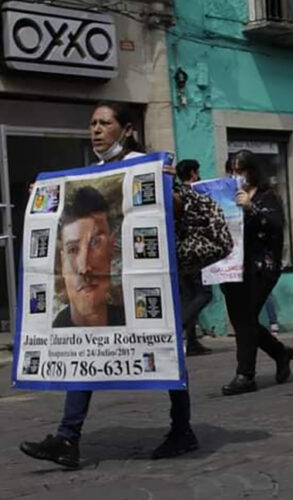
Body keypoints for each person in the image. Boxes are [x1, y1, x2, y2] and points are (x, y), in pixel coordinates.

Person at [20, 102, 196, 469]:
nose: (96, 129)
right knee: (83, 349)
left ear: (126, 129)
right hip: (99, 286)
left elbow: (177, 209)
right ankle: (68, 437)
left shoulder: (146, 164)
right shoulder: (90, 174)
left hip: (145, 281)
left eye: (105, 123)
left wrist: (166, 184)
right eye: (92, 123)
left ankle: (182, 429)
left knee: (162, 351)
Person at [220, 150, 293, 396]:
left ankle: (245, 374)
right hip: (232, 267)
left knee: (247, 317)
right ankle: (279, 352)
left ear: (252, 172)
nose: (236, 175)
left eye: (241, 170)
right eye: (232, 170)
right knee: (243, 320)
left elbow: (274, 225)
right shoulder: (225, 197)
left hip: (261, 267)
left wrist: (250, 207)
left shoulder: (266, 196)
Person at [52, 187, 125, 328]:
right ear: (62, 261)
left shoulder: (133, 324)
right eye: (73, 249)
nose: (84, 268)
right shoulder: (48, 337)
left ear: (111, 248)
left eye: (95, 243)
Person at [175, 159, 213, 356]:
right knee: (205, 293)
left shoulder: (175, 193)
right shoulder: (198, 192)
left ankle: (192, 341)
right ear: (192, 173)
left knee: (188, 295)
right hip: (197, 250)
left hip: (179, 251)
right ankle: (179, 326)